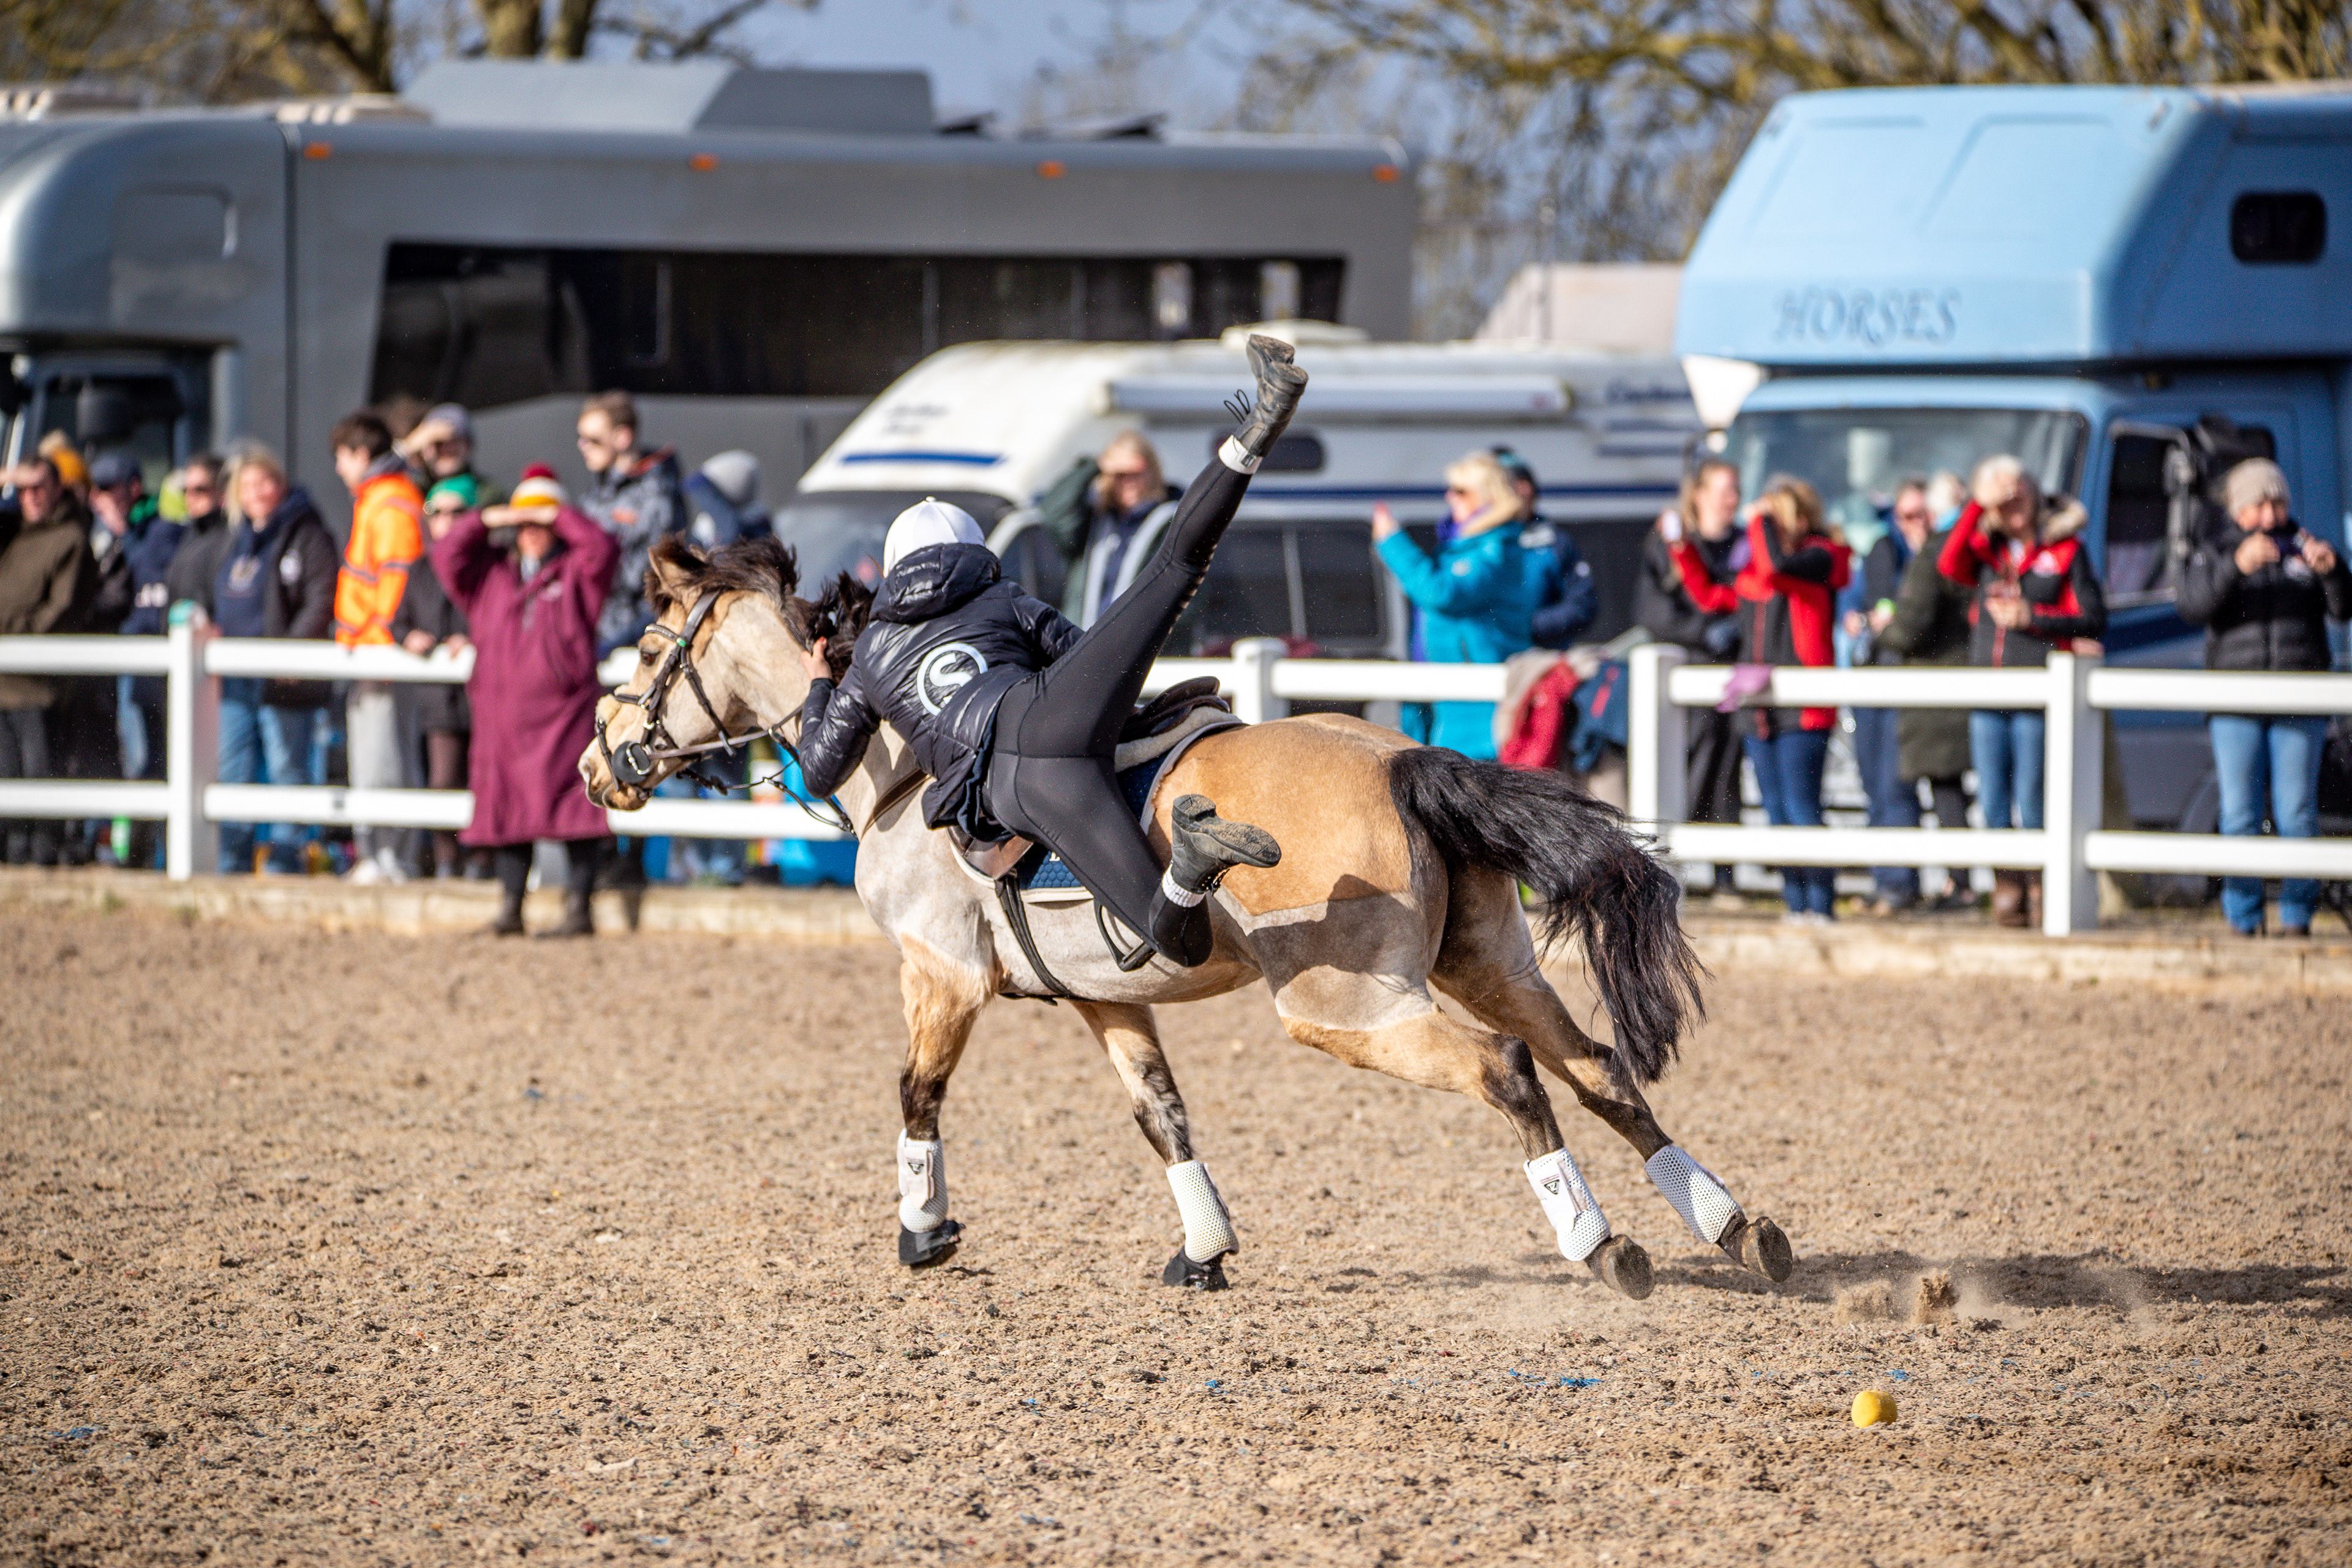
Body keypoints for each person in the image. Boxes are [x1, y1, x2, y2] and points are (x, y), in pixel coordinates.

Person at [792, 336, 1308, 969]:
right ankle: (1258, 424)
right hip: (1057, 707)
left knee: (1182, 941)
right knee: (1176, 564)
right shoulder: (1004, 596)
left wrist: (820, 683)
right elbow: (1077, 651)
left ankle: (1191, 865)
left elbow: (820, 772)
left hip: (1018, 788)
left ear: (895, 570)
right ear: (974, 555)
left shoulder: (872, 651)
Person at [433, 466, 618, 937]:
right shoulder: (490, 573)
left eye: (541, 523)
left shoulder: (577, 570)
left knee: (577, 809)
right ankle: (510, 909)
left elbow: (602, 549)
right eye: (525, 523)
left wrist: (558, 514)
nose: (532, 532)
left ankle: (579, 909)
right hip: (501, 717)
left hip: (565, 714)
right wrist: (490, 518)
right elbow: (446, 552)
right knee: (508, 811)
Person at [2177, 458, 2352, 937]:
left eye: (2278, 501)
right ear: (2239, 509)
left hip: (2300, 699)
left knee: (2297, 810)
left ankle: (2298, 915)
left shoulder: (2308, 548)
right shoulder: (2215, 551)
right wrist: (2236, 568)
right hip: (2235, 701)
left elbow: (2344, 609)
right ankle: (2243, 915)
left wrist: (2333, 572)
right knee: (2240, 812)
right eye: (2260, 503)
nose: (2271, 513)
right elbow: (2193, 606)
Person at [1936, 454, 2107, 927]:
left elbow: (2094, 618)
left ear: (2034, 492)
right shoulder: (1985, 552)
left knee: (2032, 798)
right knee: (1992, 799)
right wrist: (1976, 503)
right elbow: (1946, 562)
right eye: (2002, 498)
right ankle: (2006, 888)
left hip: (2036, 691)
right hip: (1989, 693)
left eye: (2018, 493)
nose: (2012, 505)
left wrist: (2036, 620)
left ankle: (2039, 888)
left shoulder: (2066, 551)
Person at [1673, 477, 1852, 922]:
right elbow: (1712, 597)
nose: (1763, 526)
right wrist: (1681, 549)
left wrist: (1758, 522)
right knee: (1776, 812)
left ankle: (1822, 905)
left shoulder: (1820, 557)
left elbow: (1776, 567)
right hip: (1759, 710)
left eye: (1774, 517)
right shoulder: (1758, 571)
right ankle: (1796, 904)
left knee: (1802, 807)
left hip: (1805, 708)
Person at [213, 445, 339, 876]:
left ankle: (285, 859)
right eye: (248, 485)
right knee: (232, 769)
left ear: (281, 485)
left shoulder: (309, 535)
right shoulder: (238, 542)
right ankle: (232, 860)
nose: (258, 492)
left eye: (265, 481)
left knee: (288, 765)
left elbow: (322, 598)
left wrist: (292, 650)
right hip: (236, 675)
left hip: (285, 676)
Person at [1371, 451, 1540, 760]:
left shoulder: (1496, 548)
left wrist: (1392, 541)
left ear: (1487, 495)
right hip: (1452, 707)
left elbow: (1442, 594)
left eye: (1461, 491)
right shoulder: (1466, 546)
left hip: (1481, 718)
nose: (1450, 497)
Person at [1634, 459, 1746, 903]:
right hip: (1683, 679)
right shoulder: (1669, 544)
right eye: (1723, 491)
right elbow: (1652, 614)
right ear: (1698, 495)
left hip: (1730, 679)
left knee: (1727, 778)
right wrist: (1705, 634)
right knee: (1684, 775)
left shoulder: (1742, 546)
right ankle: (1670, 874)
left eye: (1735, 491)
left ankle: (1725, 878)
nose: (1731, 501)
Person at [330, 411, 425, 883]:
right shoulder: (382, 499)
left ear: (362, 455)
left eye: (342, 457)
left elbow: (395, 581)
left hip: (378, 653)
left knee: (382, 755)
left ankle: (387, 857)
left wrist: (378, 641)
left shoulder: (387, 502)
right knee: (381, 753)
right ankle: (383, 855)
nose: (338, 468)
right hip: (373, 649)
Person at [1880, 477, 1978, 905]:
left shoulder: (1934, 553)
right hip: (1955, 684)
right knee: (1949, 788)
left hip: (1937, 688)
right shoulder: (1965, 547)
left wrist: (1883, 630)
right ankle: (1962, 881)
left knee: (1945, 789)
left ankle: (1960, 884)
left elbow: (1910, 626)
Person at [0, 458, 98, 864]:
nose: (32, 497)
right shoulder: (12, 534)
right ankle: (12, 850)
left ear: (59, 489)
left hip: (40, 684)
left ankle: (42, 852)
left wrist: (10, 630)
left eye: (40, 487)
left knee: (39, 770)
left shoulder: (70, 538)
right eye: (24, 489)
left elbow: (59, 610)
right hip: (5, 680)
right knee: (7, 769)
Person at [1842, 477, 1933, 914]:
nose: (1915, 523)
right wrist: (1853, 616)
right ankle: (1885, 881)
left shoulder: (1934, 555)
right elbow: (1855, 595)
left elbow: (1924, 608)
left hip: (1909, 677)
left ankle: (1901, 884)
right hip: (1872, 673)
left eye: (1922, 514)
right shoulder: (1882, 550)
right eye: (1907, 515)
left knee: (1896, 783)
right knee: (1873, 782)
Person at [91, 455, 184, 865]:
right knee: (138, 758)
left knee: (152, 758)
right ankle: (140, 851)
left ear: (132, 487)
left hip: (153, 658)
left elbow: (142, 588)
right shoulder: (121, 535)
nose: (103, 499)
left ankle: (154, 854)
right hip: (133, 658)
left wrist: (121, 534)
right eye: (99, 491)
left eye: (110, 490)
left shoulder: (159, 531)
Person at [392, 475, 479, 880]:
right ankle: (448, 862)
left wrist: (473, 639)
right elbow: (397, 621)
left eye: (456, 511)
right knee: (443, 779)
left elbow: (500, 618)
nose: (447, 520)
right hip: (437, 701)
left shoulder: (487, 565)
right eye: (437, 512)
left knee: (482, 777)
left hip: (481, 697)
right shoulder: (421, 569)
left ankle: (483, 860)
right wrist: (408, 636)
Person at [574, 390, 687, 658]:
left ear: (622, 437)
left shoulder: (657, 493)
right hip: (593, 632)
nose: (582, 446)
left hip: (629, 645)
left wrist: (611, 643)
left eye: (593, 440)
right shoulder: (596, 492)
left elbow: (652, 581)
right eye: (581, 438)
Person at [1034, 431, 1183, 627]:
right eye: (1120, 475)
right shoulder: (1092, 522)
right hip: (1085, 641)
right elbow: (1052, 512)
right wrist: (1096, 465)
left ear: (1152, 472)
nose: (1128, 482)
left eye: (1136, 473)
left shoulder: (1171, 520)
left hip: (1141, 645)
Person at [1493, 447, 1597, 650]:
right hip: (1478, 662)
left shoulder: (1555, 543)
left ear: (1525, 488)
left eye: (1498, 487)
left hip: (1539, 661)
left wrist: (1527, 625)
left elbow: (1582, 605)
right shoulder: (1469, 543)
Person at [162, 454, 233, 621]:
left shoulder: (232, 538)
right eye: (185, 490)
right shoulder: (189, 535)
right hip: (180, 638)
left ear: (222, 492)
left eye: (200, 490)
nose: (190, 497)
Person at [686, 450, 771, 548]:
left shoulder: (753, 516)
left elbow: (730, 534)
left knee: (729, 532)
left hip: (705, 482)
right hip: (709, 482)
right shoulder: (756, 515)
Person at [396, 403, 482, 490]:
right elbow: (382, 476)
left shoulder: (484, 491)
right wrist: (407, 448)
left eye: (454, 441)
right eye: (438, 443)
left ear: (468, 446)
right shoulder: (411, 487)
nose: (447, 448)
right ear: (423, 450)